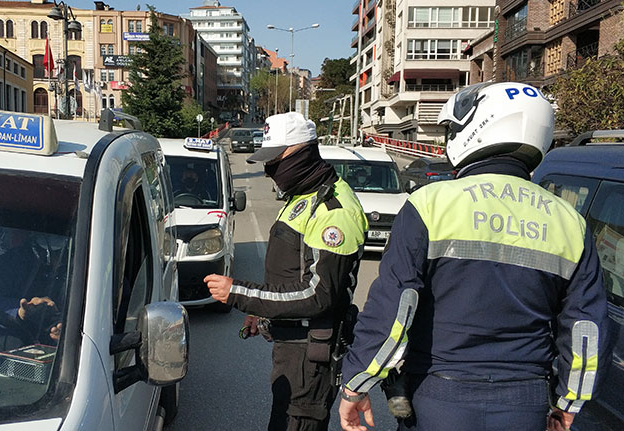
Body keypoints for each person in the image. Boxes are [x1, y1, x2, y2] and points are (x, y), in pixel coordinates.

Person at [338, 82, 611, 431]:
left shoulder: (430, 204)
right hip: (524, 403)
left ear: (477, 128)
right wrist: (569, 403)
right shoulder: (569, 221)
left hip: (438, 395)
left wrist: (357, 382)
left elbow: (395, 306)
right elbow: (586, 327)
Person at [204, 112, 368, 431]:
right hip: (292, 348)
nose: (269, 171)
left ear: (301, 152)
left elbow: (318, 295)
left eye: (274, 161)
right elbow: (289, 271)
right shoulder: (302, 196)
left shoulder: (332, 210)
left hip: (310, 354)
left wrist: (239, 293)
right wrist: (265, 315)